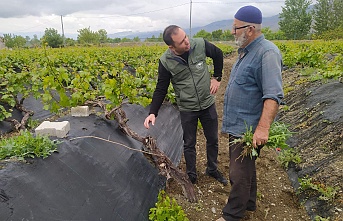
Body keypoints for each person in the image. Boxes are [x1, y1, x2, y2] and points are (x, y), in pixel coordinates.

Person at [217, 5, 284, 221]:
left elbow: (273, 95)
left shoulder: (267, 53)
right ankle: (250, 204)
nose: (232, 32)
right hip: (238, 125)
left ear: (250, 29)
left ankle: (232, 215)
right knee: (246, 169)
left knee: (238, 173)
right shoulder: (246, 52)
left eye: (236, 28)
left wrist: (263, 128)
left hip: (249, 128)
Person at [143, 25, 228, 186]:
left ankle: (212, 168)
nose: (187, 42)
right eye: (182, 42)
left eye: (186, 37)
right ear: (171, 47)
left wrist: (217, 77)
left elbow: (218, 54)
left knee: (213, 139)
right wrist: (153, 112)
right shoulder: (166, 62)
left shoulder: (200, 44)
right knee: (189, 143)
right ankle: (191, 175)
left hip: (207, 103)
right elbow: (161, 87)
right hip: (188, 108)